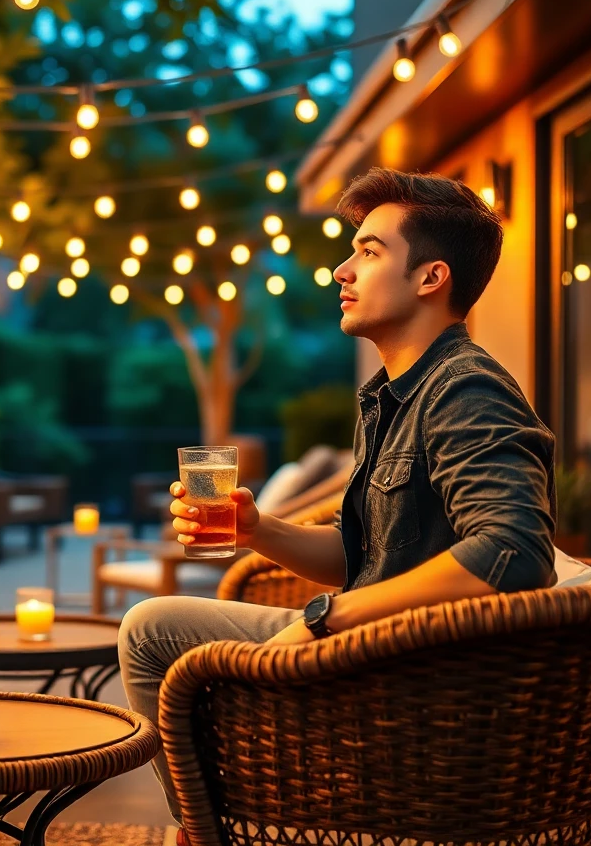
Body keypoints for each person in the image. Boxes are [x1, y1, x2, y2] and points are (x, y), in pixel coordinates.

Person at [119, 167, 557, 839]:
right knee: (153, 628)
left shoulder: (465, 390)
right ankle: (213, 825)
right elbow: (362, 554)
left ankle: (215, 829)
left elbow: (514, 550)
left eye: (370, 251)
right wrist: (256, 527)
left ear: (430, 278)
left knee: (152, 633)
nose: (340, 272)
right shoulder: (392, 396)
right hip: (367, 651)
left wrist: (328, 618)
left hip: (405, 679)